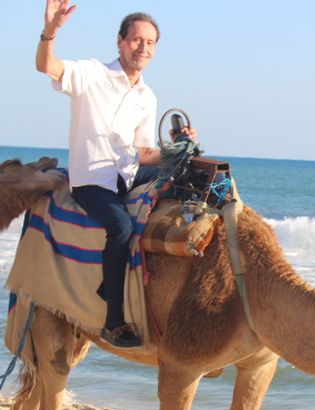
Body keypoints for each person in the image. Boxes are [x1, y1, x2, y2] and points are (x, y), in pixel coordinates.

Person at [36, 1, 196, 348]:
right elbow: (45, 66)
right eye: (136, 40)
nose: (143, 48)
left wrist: (179, 149)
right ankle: (113, 319)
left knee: (189, 175)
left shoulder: (147, 96)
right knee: (121, 226)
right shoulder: (91, 74)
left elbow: (144, 152)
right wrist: (51, 30)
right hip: (92, 180)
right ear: (121, 42)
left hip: (128, 172)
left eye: (150, 42)